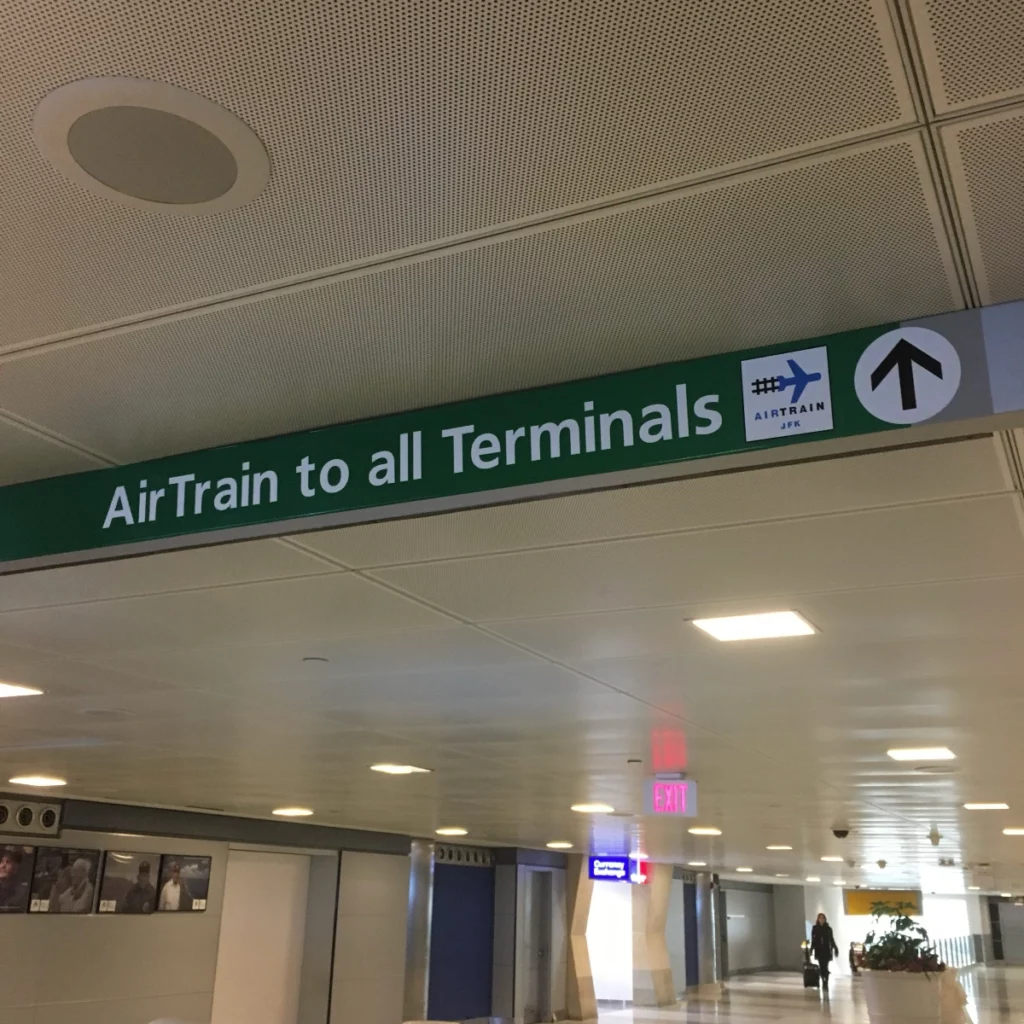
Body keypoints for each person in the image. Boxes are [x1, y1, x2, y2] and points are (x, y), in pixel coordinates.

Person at [811, 912, 839, 987]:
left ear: (825, 919)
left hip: (826, 950)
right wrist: (811, 949)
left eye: (823, 918)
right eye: (820, 918)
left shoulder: (828, 929)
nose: (822, 919)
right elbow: (813, 940)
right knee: (821, 965)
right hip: (819, 950)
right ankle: (823, 977)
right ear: (818, 919)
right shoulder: (815, 928)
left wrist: (835, 948)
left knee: (825, 965)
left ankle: (825, 979)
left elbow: (831, 939)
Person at [0, 847, 29, 912]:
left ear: (17, 867)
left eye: (8, 862)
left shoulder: (22, 890)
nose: (2, 866)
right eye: (2, 861)